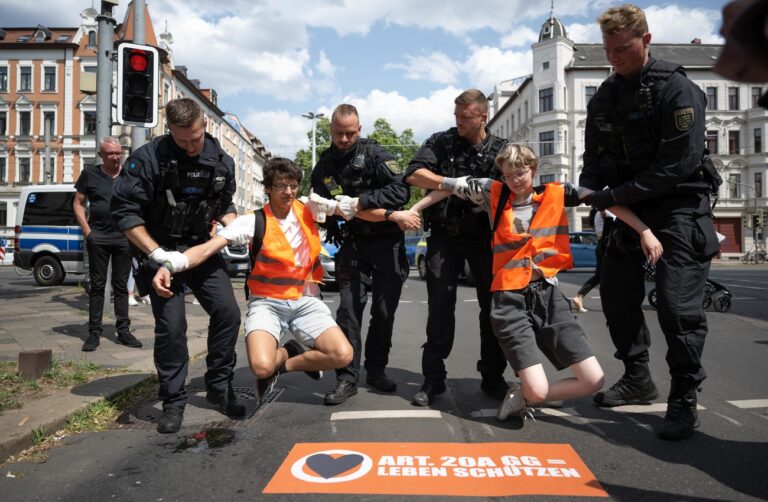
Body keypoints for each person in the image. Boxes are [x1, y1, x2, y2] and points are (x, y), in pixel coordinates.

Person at [415, 143, 665, 421]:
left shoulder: (558, 193)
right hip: (508, 298)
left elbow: (605, 200)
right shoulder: (491, 191)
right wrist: (413, 209)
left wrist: (645, 231)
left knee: (593, 380)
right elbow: (446, 186)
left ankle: (522, 395)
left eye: (520, 173)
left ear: (533, 169)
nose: (514, 181)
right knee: (537, 389)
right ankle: (531, 394)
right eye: (508, 175)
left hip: (548, 294)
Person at [581, 4, 720, 440]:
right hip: (627, 210)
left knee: (678, 309)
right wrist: (588, 190)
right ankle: (638, 377)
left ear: (646, 40)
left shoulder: (676, 89)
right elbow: (592, 164)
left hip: (679, 207)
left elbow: (676, 166)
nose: (614, 58)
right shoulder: (603, 96)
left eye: (622, 49)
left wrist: (612, 196)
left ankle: (683, 396)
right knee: (618, 299)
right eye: (608, 50)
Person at [152, 158, 354, 400]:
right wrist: (170, 265)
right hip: (267, 304)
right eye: (280, 185)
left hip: (305, 301)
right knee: (260, 367)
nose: (288, 192)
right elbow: (207, 249)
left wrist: (361, 207)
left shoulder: (309, 209)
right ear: (267, 188)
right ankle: (276, 360)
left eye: (293, 185)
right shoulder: (251, 221)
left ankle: (285, 361)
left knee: (343, 355)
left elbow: (348, 208)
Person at [111, 98, 244, 434]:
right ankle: (173, 400)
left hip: (200, 249)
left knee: (228, 312)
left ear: (204, 125)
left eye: (195, 138)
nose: (189, 146)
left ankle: (218, 386)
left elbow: (224, 205)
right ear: (169, 129)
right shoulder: (147, 159)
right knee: (172, 327)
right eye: (182, 140)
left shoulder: (222, 161)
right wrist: (157, 256)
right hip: (159, 252)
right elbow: (125, 215)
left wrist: (234, 226)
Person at [403, 89, 510, 407]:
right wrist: (450, 183)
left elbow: (518, 184)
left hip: (486, 239)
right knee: (439, 306)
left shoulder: (501, 150)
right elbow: (413, 175)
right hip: (445, 237)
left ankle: (493, 376)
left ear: (482, 117)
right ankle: (433, 378)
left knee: (492, 309)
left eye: (465, 117)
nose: (459, 122)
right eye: (456, 116)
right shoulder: (441, 141)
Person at [310, 103, 418, 405]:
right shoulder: (324, 166)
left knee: (384, 313)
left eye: (349, 133)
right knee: (348, 311)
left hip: (387, 243)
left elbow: (401, 192)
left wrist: (359, 202)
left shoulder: (376, 154)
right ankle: (346, 377)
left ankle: (376, 369)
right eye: (338, 133)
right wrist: (326, 214)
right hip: (354, 243)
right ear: (331, 130)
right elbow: (321, 202)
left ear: (359, 130)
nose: (344, 139)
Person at [74, 136, 142, 352]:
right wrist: (87, 230)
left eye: (118, 152)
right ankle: (94, 333)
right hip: (99, 237)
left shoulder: (129, 175)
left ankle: (123, 331)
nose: (115, 156)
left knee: (122, 286)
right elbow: (77, 203)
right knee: (97, 286)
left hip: (124, 237)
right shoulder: (90, 174)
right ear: (100, 155)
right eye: (110, 153)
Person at [571, 209, 614, 312]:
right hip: (607, 246)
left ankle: (579, 296)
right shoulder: (604, 211)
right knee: (614, 275)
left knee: (600, 276)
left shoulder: (598, 212)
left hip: (601, 245)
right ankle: (621, 304)